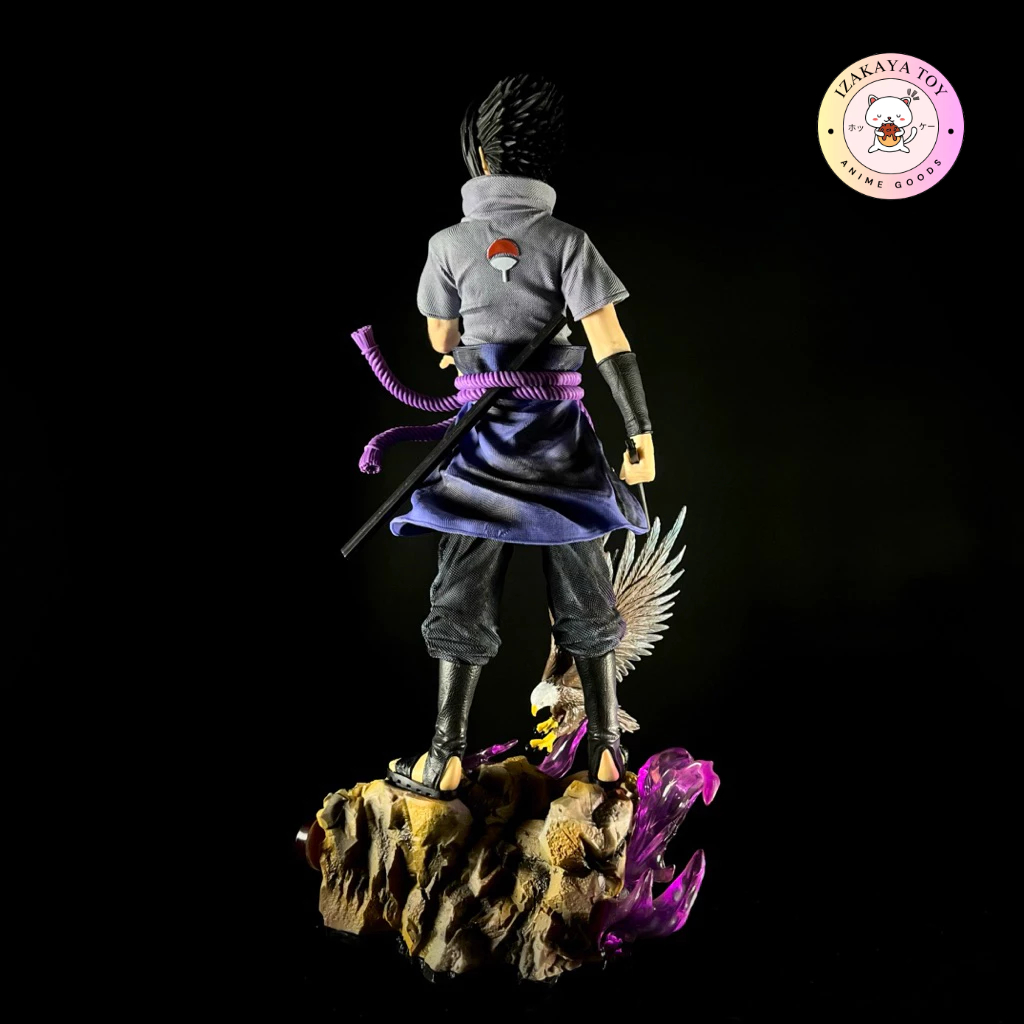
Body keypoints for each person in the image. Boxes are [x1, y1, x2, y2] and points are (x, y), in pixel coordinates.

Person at [384, 73, 656, 800]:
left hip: (482, 446)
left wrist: (465, 351)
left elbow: (441, 336)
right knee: (586, 592)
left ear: (478, 157)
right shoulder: (569, 242)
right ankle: (606, 749)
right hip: (560, 446)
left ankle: (445, 753)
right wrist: (640, 431)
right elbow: (612, 344)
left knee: (461, 590)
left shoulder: (449, 244)